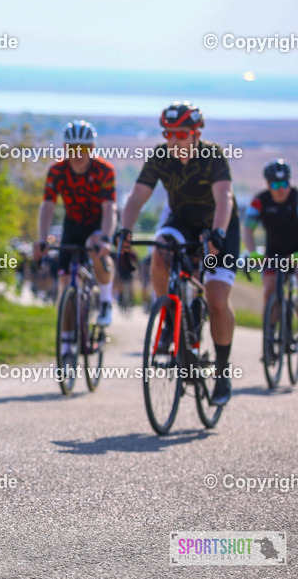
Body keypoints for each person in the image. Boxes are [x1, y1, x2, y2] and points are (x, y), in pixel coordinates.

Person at [119, 101, 238, 405]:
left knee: (217, 300)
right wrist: (125, 232)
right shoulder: (160, 156)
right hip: (182, 221)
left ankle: (222, 372)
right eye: (169, 133)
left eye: (182, 134)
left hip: (219, 224)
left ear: (196, 133)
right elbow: (136, 198)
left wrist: (219, 233)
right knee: (160, 251)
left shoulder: (212, 155)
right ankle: (170, 319)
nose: (175, 141)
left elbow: (224, 196)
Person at [33, 121, 117, 363]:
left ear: (92, 148)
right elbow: (48, 206)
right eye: (72, 149)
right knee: (64, 283)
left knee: (95, 247)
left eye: (83, 149)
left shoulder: (104, 170)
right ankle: (68, 342)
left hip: (99, 223)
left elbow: (110, 208)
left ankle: (105, 301)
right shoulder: (57, 171)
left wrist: (106, 238)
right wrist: (42, 239)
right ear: (65, 148)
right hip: (73, 225)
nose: (78, 155)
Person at [242, 159, 298, 318]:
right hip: (273, 253)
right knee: (269, 289)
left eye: (284, 184)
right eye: (275, 185)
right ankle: (271, 333)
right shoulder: (259, 201)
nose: (281, 189)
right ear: (268, 184)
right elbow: (247, 229)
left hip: (296, 252)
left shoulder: (296, 198)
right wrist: (253, 253)